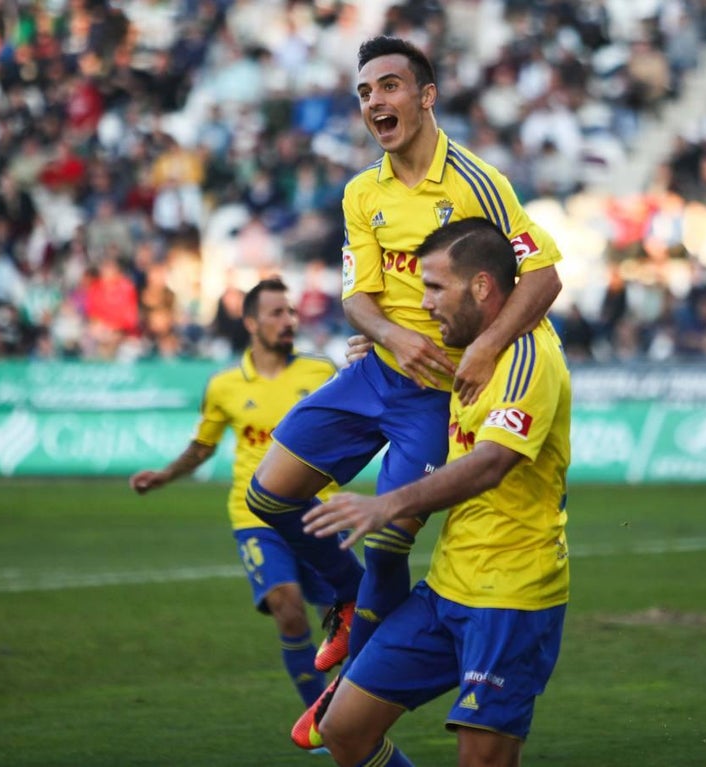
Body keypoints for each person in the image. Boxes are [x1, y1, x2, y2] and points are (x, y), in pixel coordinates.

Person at [246, 34, 563, 716]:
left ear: (425, 97)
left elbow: (543, 274)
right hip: (377, 374)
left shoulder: (478, 182)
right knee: (268, 494)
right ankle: (348, 597)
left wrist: (484, 350)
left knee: (390, 538)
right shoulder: (363, 192)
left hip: (438, 395)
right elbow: (357, 294)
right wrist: (388, 335)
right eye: (363, 92)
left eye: (388, 86)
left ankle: (354, 679)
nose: (373, 102)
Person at [299, 217, 571, 767]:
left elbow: (491, 463)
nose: (423, 303)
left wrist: (387, 505)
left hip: (509, 598)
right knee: (343, 731)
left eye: (434, 288)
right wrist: (375, 350)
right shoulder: (466, 350)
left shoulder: (528, 357)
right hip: (446, 590)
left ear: (481, 287)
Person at [129, 278, 365, 708]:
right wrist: (165, 475)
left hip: (316, 512)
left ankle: (343, 713)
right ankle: (317, 716)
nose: (288, 320)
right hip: (254, 516)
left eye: (291, 312)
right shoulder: (224, 386)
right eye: (277, 313)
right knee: (286, 604)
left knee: (350, 622)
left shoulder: (320, 372)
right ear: (252, 322)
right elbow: (204, 446)